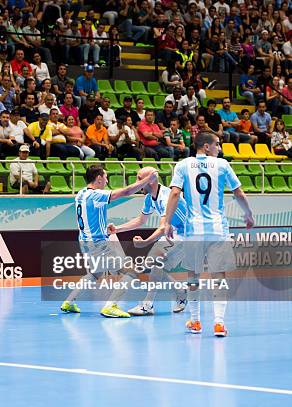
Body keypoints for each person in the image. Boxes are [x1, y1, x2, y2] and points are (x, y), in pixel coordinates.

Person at [164, 132, 254, 337]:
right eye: (217, 145)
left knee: (193, 275)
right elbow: (238, 193)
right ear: (206, 146)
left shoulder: (183, 165)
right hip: (217, 229)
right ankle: (219, 324)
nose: (219, 148)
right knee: (218, 276)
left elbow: (175, 193)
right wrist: (248, 214)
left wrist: (167, 222)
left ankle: (195, 322)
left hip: (193, 230)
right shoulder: (222, 165)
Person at [60, 165, 159, 316]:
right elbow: (126, 192)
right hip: (98, 243)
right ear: (99, 178)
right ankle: (110, 306)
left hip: (84, 241)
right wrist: (147, 180)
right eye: (105, 177)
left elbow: (90, 216)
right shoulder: (96, 195)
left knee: (95, 273)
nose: (107, 180)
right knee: (130, 271)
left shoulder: (81, 194)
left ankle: (69, 302)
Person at [108, 167, 188, 316]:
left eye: (139, 179)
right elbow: (140, 220)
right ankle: (180, 290)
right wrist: (117, 230)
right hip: (172, 233)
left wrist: (145, 242)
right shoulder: (149, 198)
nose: (137, 183)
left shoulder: (166, 197)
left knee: (154, 262)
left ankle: (148, 304)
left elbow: (163, 226)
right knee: (156, 265)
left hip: (187, 234)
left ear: (150, 181)